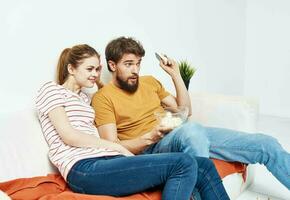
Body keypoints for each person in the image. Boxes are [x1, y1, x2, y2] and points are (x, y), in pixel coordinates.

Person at [92, 36, 290, 190]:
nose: (135, 70)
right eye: (128, 64)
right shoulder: (103, 98)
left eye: (138, 63)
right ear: (112, 65)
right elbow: (112, 146)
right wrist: (149, 137)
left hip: (186, 133)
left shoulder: (150, 81)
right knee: (192, 131)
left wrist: (176, 75)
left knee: (266, 144)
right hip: (153, 146)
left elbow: (185, 111)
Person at [35, 44, 230, 200]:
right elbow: (70, 136)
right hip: (83, 168)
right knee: (183, 162)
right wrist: (117, 147)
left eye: (97, 69)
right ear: (71, 68)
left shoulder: (85, 99)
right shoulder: (52, 90)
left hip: (109, 161)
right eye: (89, 69)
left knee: (204, 166)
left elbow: (182, 110)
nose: (95, 74)